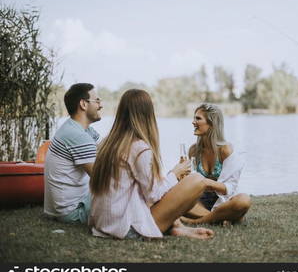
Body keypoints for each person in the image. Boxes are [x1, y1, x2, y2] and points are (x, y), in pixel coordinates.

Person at [89, 89, 220, 240]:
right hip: (126, 228)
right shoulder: (139, 148)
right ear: (148, 114)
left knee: (173, 184)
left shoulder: (107, 143)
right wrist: (175, 174)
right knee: (196, 180)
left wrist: (171, 176)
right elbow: (153, 194)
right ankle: (174, 226)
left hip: (103, 224)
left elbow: (141, 189)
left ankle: (177, 227)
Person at [181, 103, 251, 225]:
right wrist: (182, 176)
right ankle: (221, 218)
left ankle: (196, 221)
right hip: (200, 201)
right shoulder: (193, 150)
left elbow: (229, 188)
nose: (193, 122)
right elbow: (190, 182)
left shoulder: (225, 150)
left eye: (198, 118)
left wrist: (205, 182)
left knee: (243, 201)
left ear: (212, 123)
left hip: (224, 200)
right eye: (194, 118)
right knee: (177, 196)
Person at [44, 83, 102, 223]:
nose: (101, 105)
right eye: (97, 100)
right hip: (73, 211)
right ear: (83, 104)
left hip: (62, 208)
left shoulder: (77, 128)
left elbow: (104, 149)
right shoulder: (77, 135)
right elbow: (102, 180)